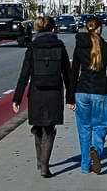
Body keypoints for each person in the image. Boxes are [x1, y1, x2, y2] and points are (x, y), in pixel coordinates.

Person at [12, 16, 73, 178]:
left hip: (36, 92)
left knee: (37, 127)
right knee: (49, 129)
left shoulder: (32, 47)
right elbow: (68, 74)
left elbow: (24, 74)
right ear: (53, 29)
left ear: (37, 29)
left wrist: (16, 98)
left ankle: (40, 161)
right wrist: (70, 98)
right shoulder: (60, 46)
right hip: (54, 92)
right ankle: (45, 165)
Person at [69, 17, 107, 175]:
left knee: (84, 129)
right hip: (100, 91)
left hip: (81, 91)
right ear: (99, 28)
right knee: (100, 126)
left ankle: (85, 166)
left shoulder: (79, 47)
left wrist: (70, 97)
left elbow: (74, 72)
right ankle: (96, 149)